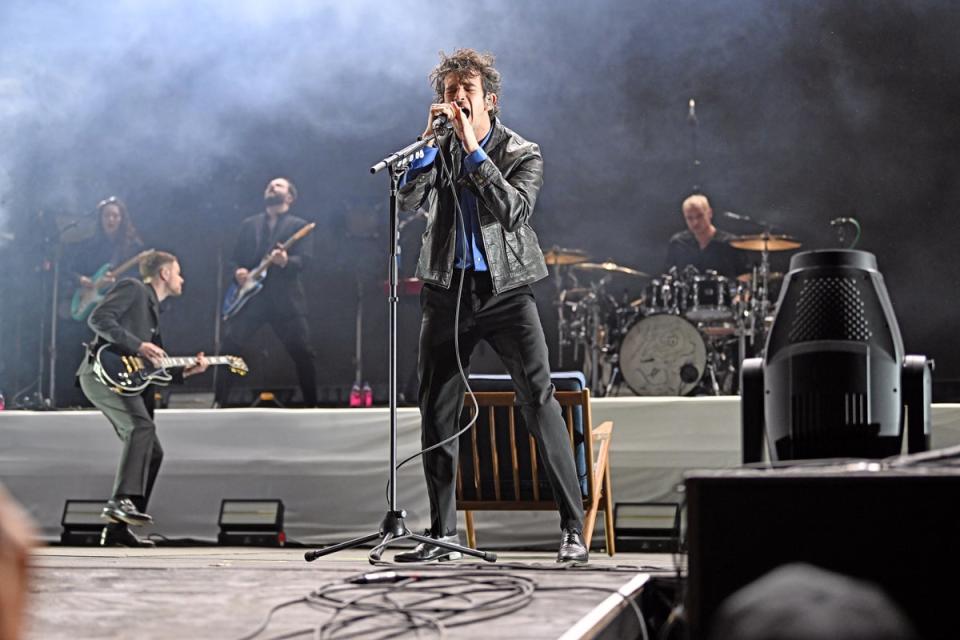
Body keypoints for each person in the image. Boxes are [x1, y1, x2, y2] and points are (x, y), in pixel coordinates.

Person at [393, 49, 588, 564]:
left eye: (467, 92)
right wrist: (428, 146)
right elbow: (406, 201)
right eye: (449, 92)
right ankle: (444, 536)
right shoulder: (435, 148)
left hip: (506, 294)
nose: (456, 100)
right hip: (447, 293)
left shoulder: (523, 151)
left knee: (539, 402)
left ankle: (572, 529)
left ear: (490, 102)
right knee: (435, 412)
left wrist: (474, 151)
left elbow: (512, 210)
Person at [77, 251, 209, 547]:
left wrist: (183, 372)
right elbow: (98, 318)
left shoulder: (151, 311)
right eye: (178, 272)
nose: (182, 278)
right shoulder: (134, 288)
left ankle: (117, 530)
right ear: (164, 274)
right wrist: (138, 345)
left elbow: (149, 368)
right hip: (100, 375)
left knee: (153, 450)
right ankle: (121, 500)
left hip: (123, 380)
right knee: (142, 428)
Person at [214, 177, 318, 408]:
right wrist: (238, 273)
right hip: (252, 300)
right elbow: (234, 260)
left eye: (279, 185)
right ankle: (219, 402)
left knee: (302, 351)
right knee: (230, 347)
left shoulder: (298, 226)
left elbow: (306, 261)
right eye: (270, 185)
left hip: (285, 301)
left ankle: (312, 405)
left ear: (290, 197)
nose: (272, 187)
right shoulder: (249, 225)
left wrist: (285, 261)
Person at [58, 196, 146, 407]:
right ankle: (80, 397)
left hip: (116, 310)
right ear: (101, 218)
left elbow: (138, 278)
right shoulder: (90, 245)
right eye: (107, 215)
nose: (111, 219)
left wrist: (117, 281)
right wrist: (82, 279)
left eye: (116, 215)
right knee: (83, 348)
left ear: (122, 219)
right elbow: (67, 269)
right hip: (90, 306)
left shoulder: (132, 247)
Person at [664, 193, 749, 278]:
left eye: (700, 216)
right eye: (689, 218)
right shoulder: (678, 243)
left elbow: (744, 278)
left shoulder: (731, 244)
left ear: (710, 213)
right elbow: (668, 276)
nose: (695, 222)